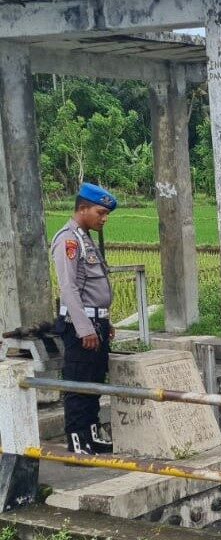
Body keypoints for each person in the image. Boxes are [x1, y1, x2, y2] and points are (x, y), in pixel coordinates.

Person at [50, 183, 118, 455]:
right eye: (100, 212)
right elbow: (69, 289)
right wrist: (84, 328)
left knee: (94, 383)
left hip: (96, 324)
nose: (104, 218)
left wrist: (104, 321)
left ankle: (92, 435)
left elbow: (92, 287)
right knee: (78, 385)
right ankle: (78, 444)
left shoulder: (85, 238)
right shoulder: (68, 240)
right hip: (81, 328)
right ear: (82, 209)